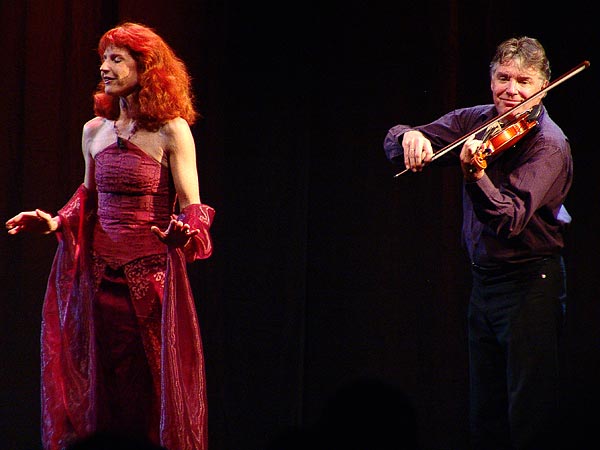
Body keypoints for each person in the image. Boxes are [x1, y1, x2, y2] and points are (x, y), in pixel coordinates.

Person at [6, 22, 215, 450]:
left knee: (152, 390)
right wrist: (55, 222)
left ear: (148, 68)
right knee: (99, 384)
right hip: (98, 282)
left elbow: (193, 206)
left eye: (116, 59)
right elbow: (87, 198)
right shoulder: (94, 131)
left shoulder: (171, 130)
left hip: (152, 282)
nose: (104, 67)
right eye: (104, 58)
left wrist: (184, 235)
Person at [383, 37, 572, 449]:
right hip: (485, 285)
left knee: (529, 418)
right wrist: (409, 138)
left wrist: (476, 176)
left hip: (529, 285)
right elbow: (398, 140)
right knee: (484, 415)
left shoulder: (548, 144)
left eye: (524, 81)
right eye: (504, 78)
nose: (512, 90)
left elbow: (509, 220)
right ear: (491, 82)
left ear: (542, 85)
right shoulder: (480, 119)